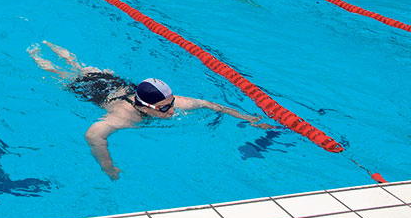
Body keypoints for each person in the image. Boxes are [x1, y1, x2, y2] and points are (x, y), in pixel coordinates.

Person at [28, 41, 272, 179]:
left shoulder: (170, 103)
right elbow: (93, 134)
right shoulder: (125, 117)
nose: (173, 110)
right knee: (63, 73)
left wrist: (249, 118)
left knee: (80, 65)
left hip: (115, 83)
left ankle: (59, 50)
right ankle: (38, 54)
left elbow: (210, 104)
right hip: (95, 91)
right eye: (165, 107)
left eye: (172, 103)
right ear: (146, 106)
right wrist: (108, 166)